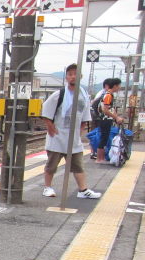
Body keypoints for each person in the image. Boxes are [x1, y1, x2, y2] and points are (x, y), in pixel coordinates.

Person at [40, 63, 101, 199]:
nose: (73, 77)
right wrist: (50, 127)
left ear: (80, 76)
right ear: (66, 77)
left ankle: (83, 190)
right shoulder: (59, 94)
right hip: (57, 136)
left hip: (73, 138)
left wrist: (80, 131)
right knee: (52, 165)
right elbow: (45, 111)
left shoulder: (84, 96)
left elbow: (85, 116)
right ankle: (47, 187)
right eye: (70, 74)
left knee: (78, 165)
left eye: (76, 74)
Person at [96, 77, 123, 163]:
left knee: (105, 137)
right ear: (115, 86)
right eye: (119, 86)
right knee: (104, 138)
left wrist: (116, 117)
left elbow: (110, 109)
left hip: (106, 119)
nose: (119, 87)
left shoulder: (109, 95)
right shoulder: (108, 95)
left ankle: (101, 158)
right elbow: (105, 110)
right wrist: (116, 117)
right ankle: (99, 158)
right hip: (105, 119)